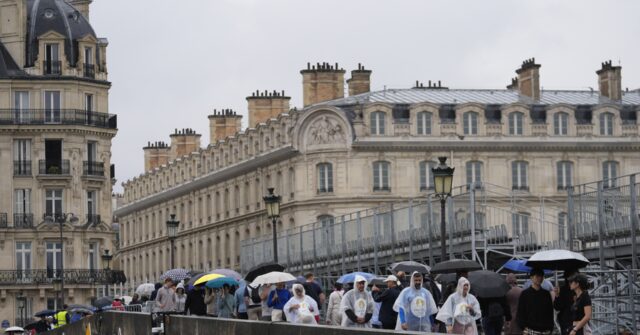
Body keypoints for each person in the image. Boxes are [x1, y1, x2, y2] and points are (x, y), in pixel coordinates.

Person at [516, 268, 554, 335]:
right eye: (537, 276)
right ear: (531, 277)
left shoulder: (546, 294)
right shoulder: (525, 294)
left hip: (545, 329)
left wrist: (551, 327)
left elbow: (550, 311)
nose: (540, 278)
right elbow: (520, 311)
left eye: (541, 276)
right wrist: (523, 327)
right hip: (530, 329)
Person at [555, 269, 579, 335]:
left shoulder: (580, 291)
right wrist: (557, 296)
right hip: (566, 322)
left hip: (578, 321)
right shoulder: (562, 290)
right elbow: (557, 307)